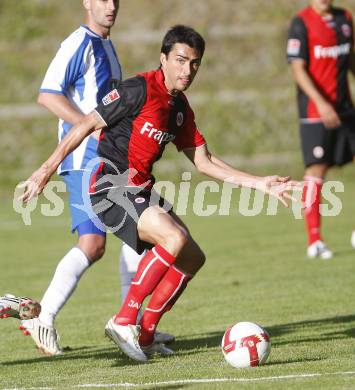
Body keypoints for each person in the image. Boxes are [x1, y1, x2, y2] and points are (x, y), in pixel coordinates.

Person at [22, 25, 298, 361]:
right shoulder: (137, 89)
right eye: (180, 60)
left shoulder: (179, 108)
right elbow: (85, 125)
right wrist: (45, 170)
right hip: (108, 183)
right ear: (163, 58)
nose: (187, 70)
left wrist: (261, 183)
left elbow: (205, 161)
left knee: (192, 256)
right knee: (173, 238)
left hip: (138, 188)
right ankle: (124, 321)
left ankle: (147, 333)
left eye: (194, 63)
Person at [11, 0, 173, 356]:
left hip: (110, 161)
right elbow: (48, 94)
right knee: (96, 243)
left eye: (115, 0)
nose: (111, 6)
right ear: (86, 2)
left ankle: (129, 323)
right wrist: (91, 129)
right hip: (86, 160)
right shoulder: (78, 44)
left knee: (137, 237)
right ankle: (46, 317)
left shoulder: (106, 45)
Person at [287, 0, 355, 259]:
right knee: (316, 170)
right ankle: (315, 240)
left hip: (346, 108)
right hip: (316, 112)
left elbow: (350, 60)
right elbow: (297, 69)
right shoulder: (301, 23)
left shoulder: (345, 18)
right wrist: (321, 103)